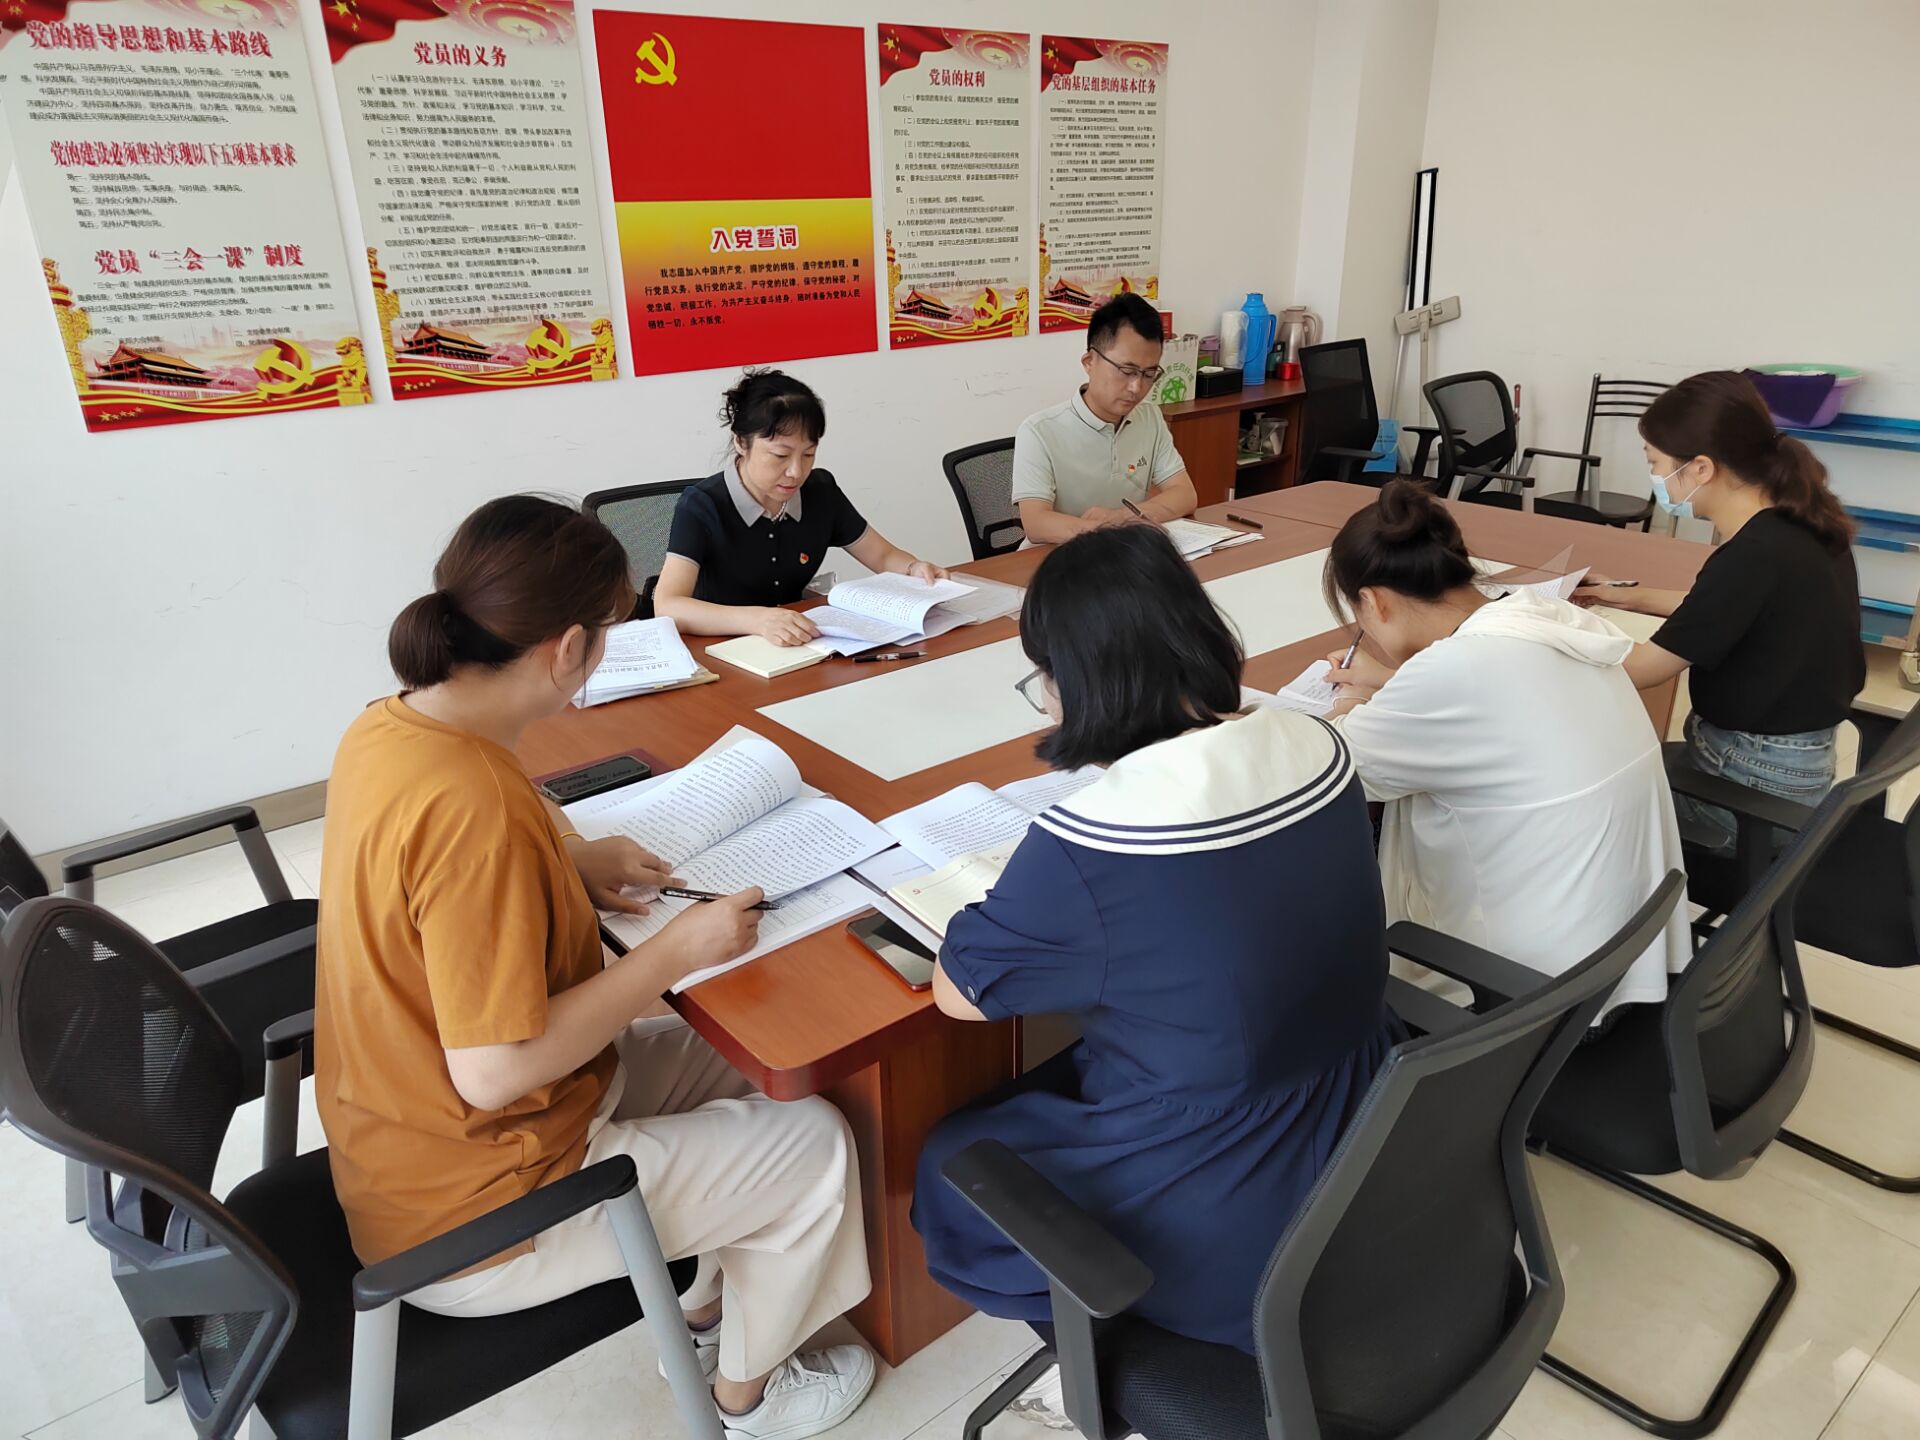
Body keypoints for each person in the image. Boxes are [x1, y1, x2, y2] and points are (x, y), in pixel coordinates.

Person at [315, 495, 875, 1440]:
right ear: (570, 647)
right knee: (815, 1144)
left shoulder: (397, 725)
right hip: (479, 1211)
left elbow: (439, 880)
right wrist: (671, 953)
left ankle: (704, 1309)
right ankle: (748, 1399)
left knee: (764, 1062)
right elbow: (491, 1072)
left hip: (416, 1137)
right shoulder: (475, 810)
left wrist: (571, 858)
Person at [912, 525, 1399, 1393]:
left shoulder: (1089, 843)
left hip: (1229, 1195)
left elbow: (959, 994)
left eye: (1042, 678)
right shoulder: (1318, 744)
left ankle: (1108, 1353)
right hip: (1367, 1121)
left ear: (1076, 684)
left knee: (955, 1161)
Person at [1323, 480, 1691, 1019]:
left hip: (1530, 1005)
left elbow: (1333, 771)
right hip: (1625, 962)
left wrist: (1351, 699)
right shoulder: (1545, 617)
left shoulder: (1453, 671)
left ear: (1374, 601)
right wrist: (1393, 685)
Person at [1569, 370, 1865, 852]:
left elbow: (1643, 669)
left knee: (1582, 803)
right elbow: (1720, 610)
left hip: (1748, 785)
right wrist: (1622, 595)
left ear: (1701, 468)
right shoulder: (1802, 523)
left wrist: (1545, 636)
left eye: (1655, 463)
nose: (1655, 477)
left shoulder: (1754, 554)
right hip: (1790, 766)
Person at [654, 369, 948, 646]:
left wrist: (913, 569)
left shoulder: (820, 492)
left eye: (808, 455)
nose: (796, 472)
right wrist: (759, 620)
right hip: (722, 650)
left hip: (799, 644)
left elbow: (883, 556)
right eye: (780, 455)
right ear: (741, 442)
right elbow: (668, 605)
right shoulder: (702, 506)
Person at [1012, 292, 1197, 544]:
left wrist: (1122, 518)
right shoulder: (1039, 431)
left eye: (1148, 374)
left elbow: (1185, 495)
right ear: (1089, 361)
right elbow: (1036, 523)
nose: (1136, 387)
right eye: (1127, 371)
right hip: (1057, 559)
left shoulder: (1150, 418)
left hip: (1123, 553)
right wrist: (1104, 530)